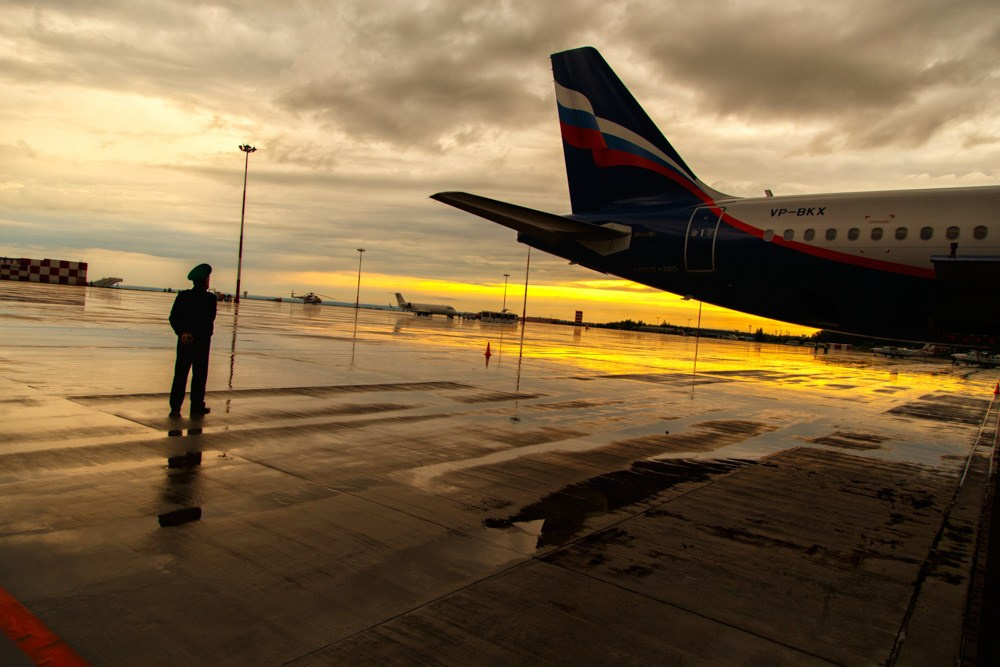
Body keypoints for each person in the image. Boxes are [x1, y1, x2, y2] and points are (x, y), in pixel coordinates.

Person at [169, 263, 217, 418]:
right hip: (201, 344)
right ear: (205, 281)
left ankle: (175, 406)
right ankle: (196, 405)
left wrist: (182, 333)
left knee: (180, 374)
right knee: (199, 375)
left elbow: (174, 317)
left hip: (184, 342)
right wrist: (195, 335)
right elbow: (208, 321)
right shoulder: (210, 299)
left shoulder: (183, 296)